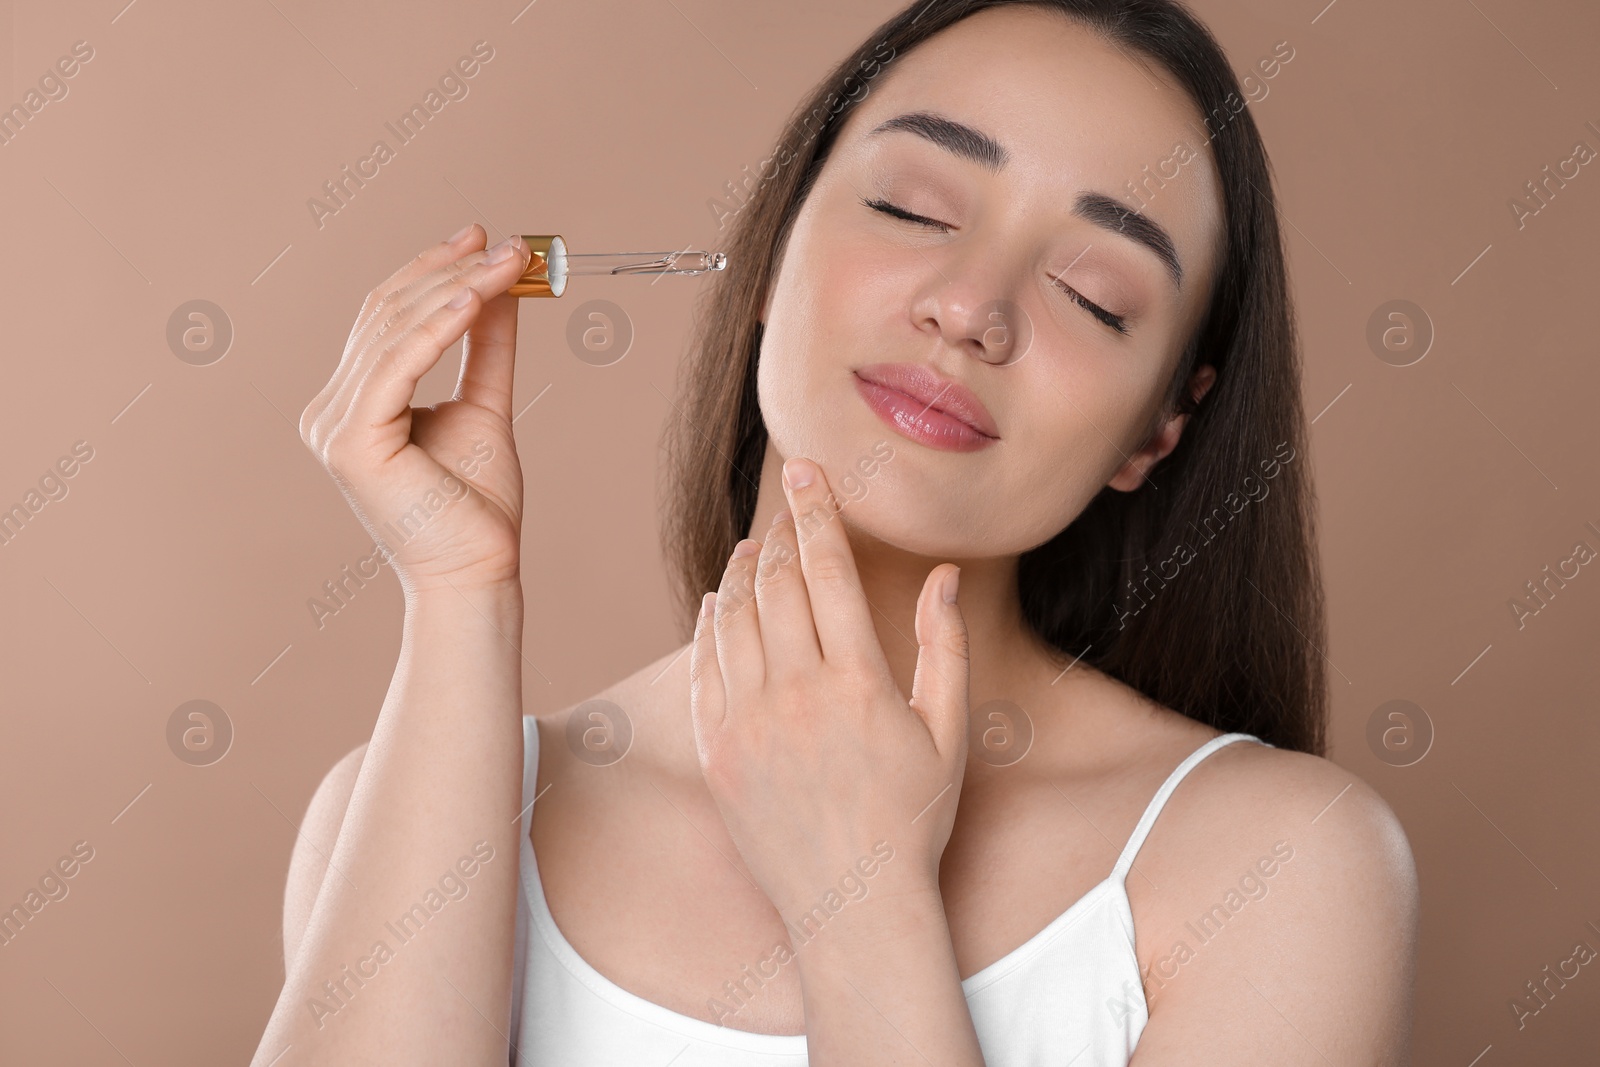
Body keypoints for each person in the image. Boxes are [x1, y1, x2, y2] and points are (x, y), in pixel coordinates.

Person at [255, 1, 1419, 1063]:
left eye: (1095, 293)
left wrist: (858, 896)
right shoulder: (406, 808)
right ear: (769, 252)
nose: (971, 308)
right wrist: (459, 596)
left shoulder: (1279, 867)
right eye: (912, 208)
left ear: (1156, 430)